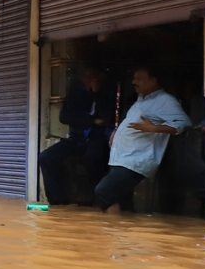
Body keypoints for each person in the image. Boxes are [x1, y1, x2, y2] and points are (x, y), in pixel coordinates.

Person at [93, 67, 192, 214]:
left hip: (136, 160)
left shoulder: (165, 100)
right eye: (134, 78)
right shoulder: (141, 100)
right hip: (121, 158)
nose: (134, 82)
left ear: (153, 81)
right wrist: (117, 132)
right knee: (123, 200)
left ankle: (111, 231)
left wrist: (155, 128)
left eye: (139, 79)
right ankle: (123, 234)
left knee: (104, 192)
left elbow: (184, 123)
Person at [38, 66, 113, 205]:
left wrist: (96, 93)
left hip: (97, 138)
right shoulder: (76, 93)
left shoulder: (109, 92)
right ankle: (58, 203)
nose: (87, 80)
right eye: (84, 77)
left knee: (94, 158)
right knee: (46, 156)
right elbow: (65, 117)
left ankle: (97, 201)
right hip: (76, 138)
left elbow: (107, 118)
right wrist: (92, 121)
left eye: (91, 77)